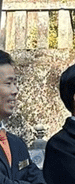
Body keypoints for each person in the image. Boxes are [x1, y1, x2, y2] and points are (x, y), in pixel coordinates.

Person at [0, 51, 45, 184]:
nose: (15, 91)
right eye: (8, 84)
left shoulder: (16, 144)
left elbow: (38, 178)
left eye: (15, 83)